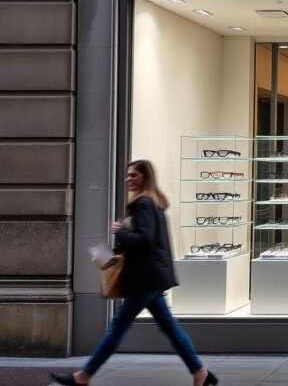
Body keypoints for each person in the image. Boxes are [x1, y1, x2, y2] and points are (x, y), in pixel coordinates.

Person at [51, 160, 216, 386]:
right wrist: (110, 254)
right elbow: (144, 241)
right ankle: (199, 372)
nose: (128, 179)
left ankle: (84, 376)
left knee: (118, 327)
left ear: (145, 178)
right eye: (127, 176)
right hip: (152, 277)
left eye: (133, 176)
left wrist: (121, 232)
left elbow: (144, 241)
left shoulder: (144, 204)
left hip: (144, 278)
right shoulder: (154, 204)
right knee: (168, 325)